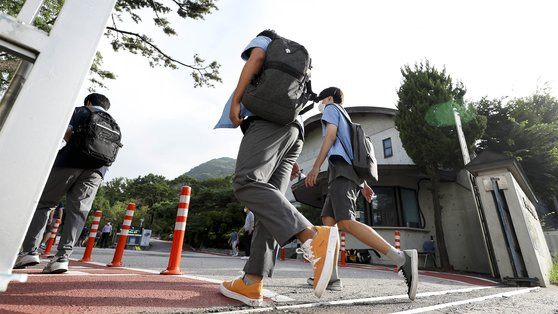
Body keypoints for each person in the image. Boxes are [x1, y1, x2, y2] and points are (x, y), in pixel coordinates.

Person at [215, 29, 339, 307]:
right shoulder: (296, 59)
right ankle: (251, 282)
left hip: (267, 122)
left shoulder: (266, 41)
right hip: (292, 129)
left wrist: (236, 99)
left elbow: (256, 56)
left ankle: (312, 236)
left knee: (246, 182)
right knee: (269, 207)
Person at [304, 87, 419, 300]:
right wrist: (363, 183)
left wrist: (314, 167)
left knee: (345, 221)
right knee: (328, 223)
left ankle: (401, 258)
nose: (320, 104)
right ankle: (331, 278)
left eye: (322, 100)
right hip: (344, 174)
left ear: (329, 98)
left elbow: (329, 137)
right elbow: (351, 150)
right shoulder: (346, 118)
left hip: (341, 173)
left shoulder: (331, 108)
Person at [13, 93, 115, 274]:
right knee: (78, 213)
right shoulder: (113, 123)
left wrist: (74, 146)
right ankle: (61, 258)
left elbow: (67, 132)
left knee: (44, 204)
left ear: (89, 102)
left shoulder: (80, 111)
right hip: (97, 171)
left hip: (69, 163)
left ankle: (29, 251)